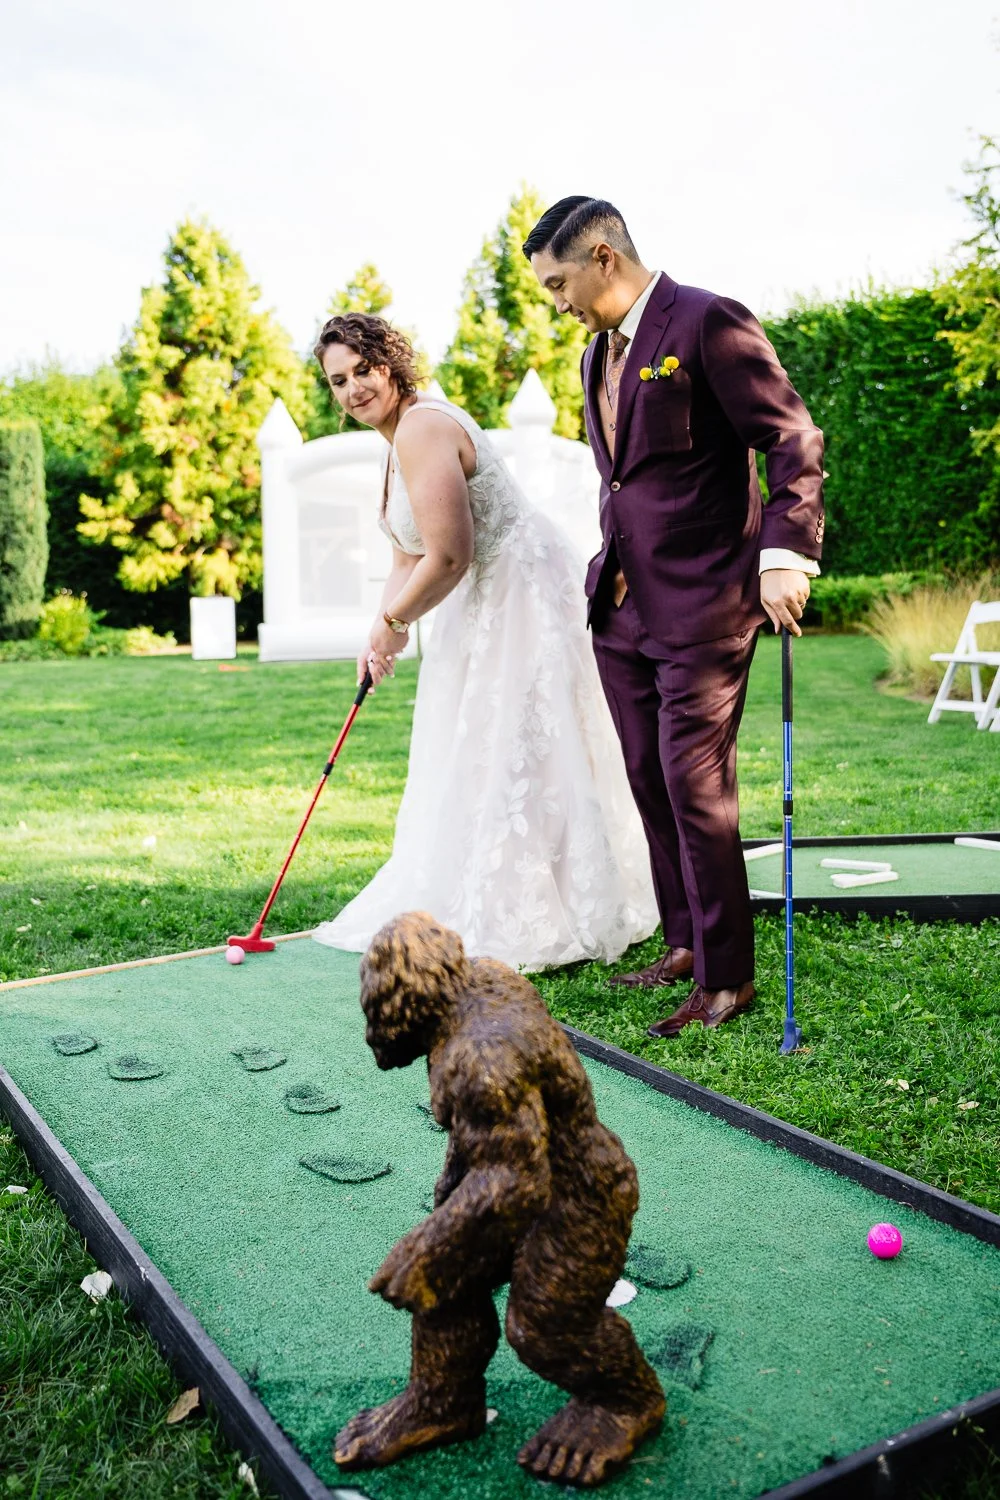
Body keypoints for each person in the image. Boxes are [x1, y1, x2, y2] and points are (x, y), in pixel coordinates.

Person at [525, 198, 825, 1036]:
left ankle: (728, 980)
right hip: (622, 607)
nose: (556, 302)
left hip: (705, 604)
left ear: (601, 257)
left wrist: (783, 557)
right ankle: (686, 946)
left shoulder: (707, 321)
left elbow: (791, 438)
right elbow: (624, 480)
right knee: (649, 781)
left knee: (698, 789)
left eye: (558, 283)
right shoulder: (596, 355)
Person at [311, 313, 656, 970]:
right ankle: (516, 889)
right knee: (480, 750)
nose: (354, 387)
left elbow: (450, 555)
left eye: (363, 369)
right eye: (339, 380)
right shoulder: (394, 446)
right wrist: (376, 635)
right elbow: (406, 558)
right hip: (480, 606)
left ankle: (557, 905)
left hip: (519, 596)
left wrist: (396, 624)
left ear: (390, 363)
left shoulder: (424, 427)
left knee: (525, 748)